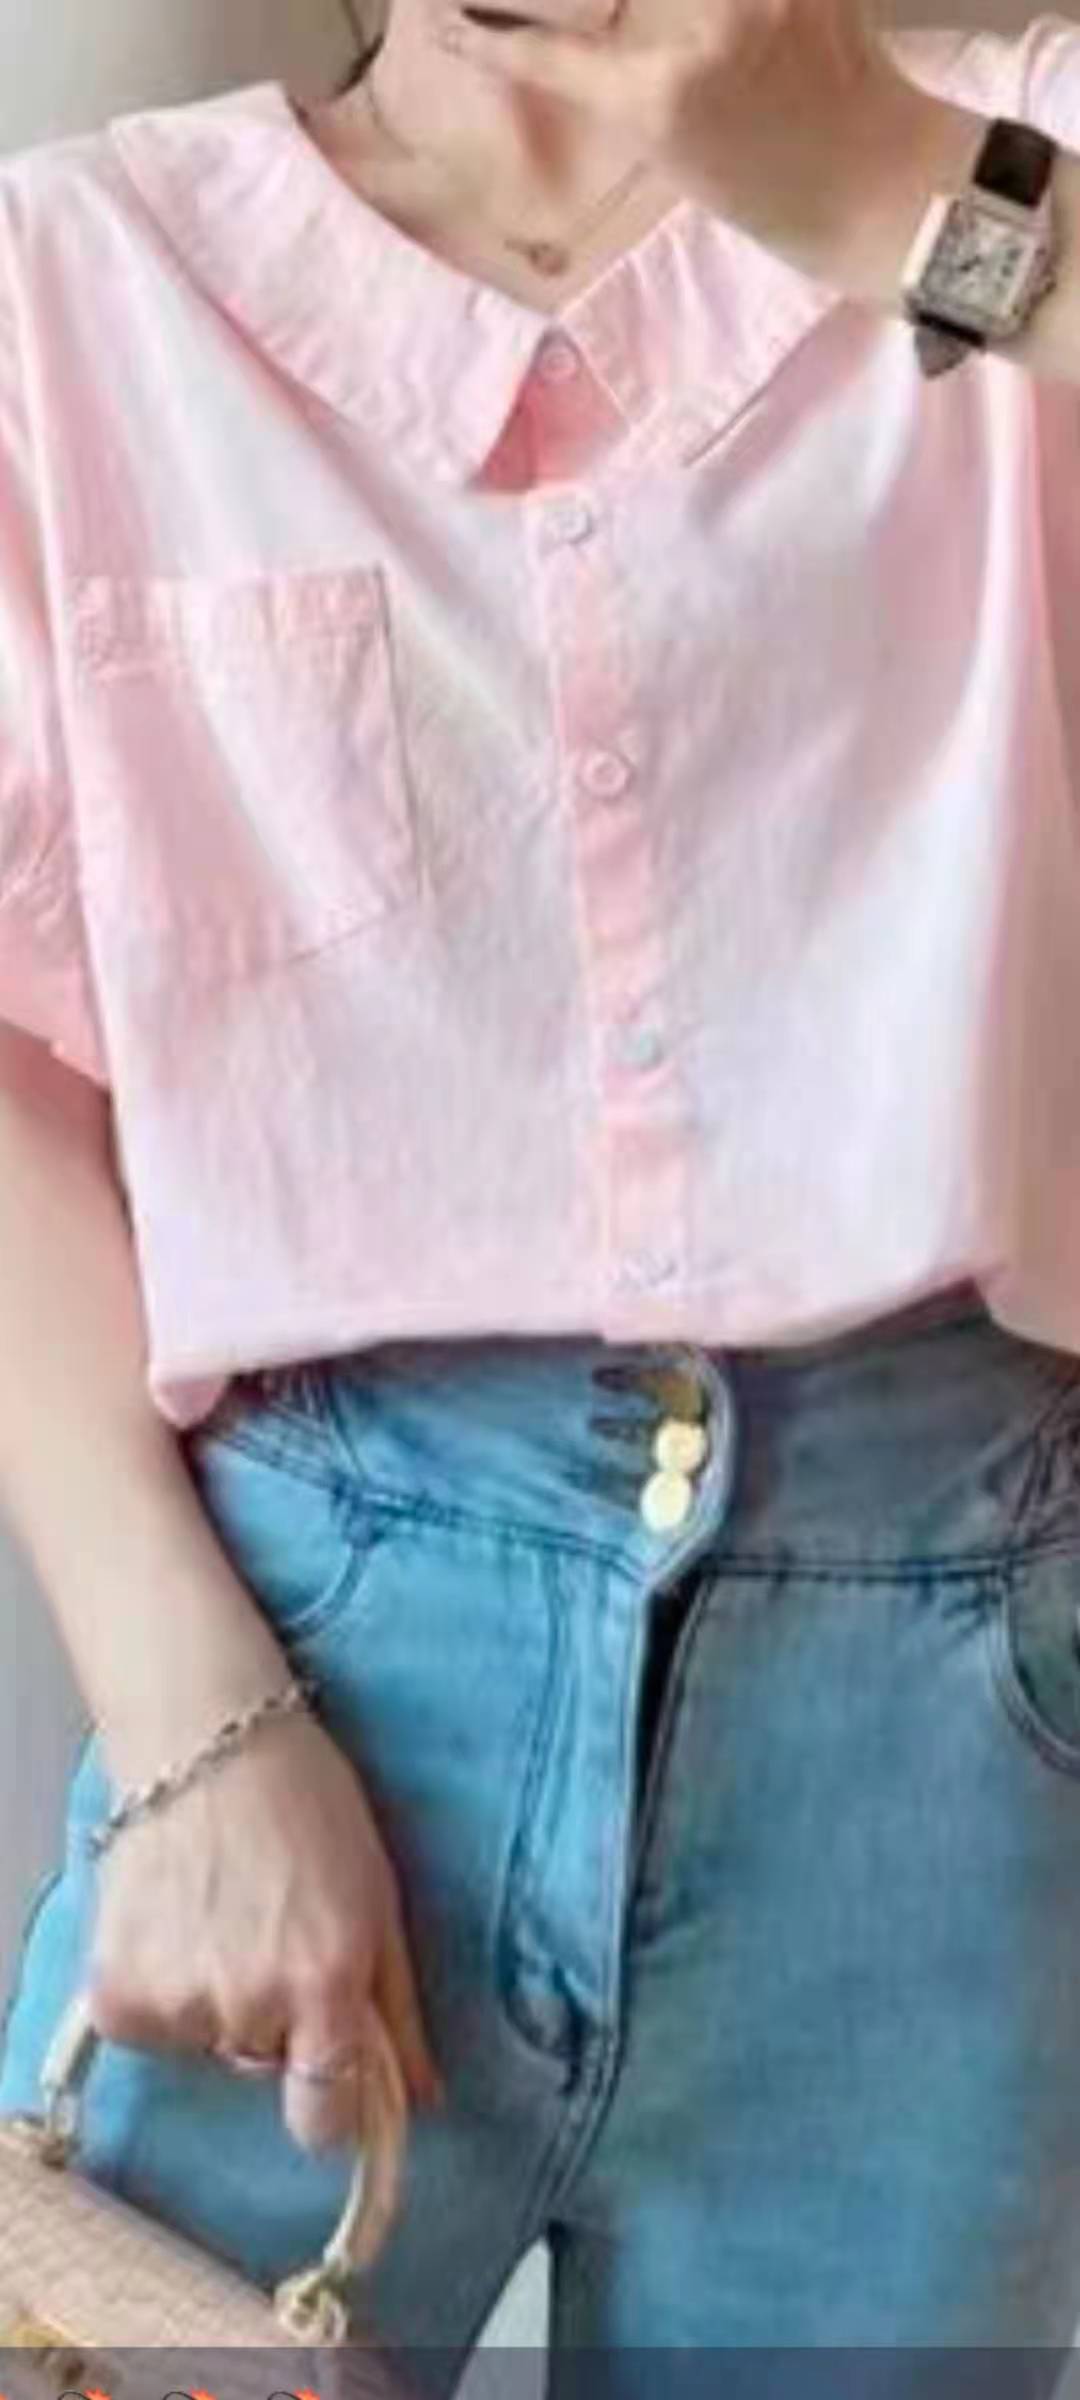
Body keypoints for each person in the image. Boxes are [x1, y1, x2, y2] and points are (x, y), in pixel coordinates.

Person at [5, 0, 1080, 2383]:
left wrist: (890, 194)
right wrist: (189, 1726)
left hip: (939, 1697)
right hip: (303, 1659)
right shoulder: (82, 280)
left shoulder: (1016, 145)